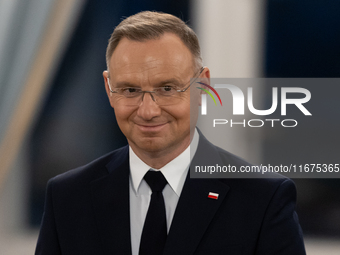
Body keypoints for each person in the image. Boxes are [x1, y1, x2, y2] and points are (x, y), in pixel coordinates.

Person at [35, 11, 306, 255]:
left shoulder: (263, 199)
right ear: (109, 89)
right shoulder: (67, 197)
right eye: (130, 90)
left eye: (167, 88)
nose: (148, 110)